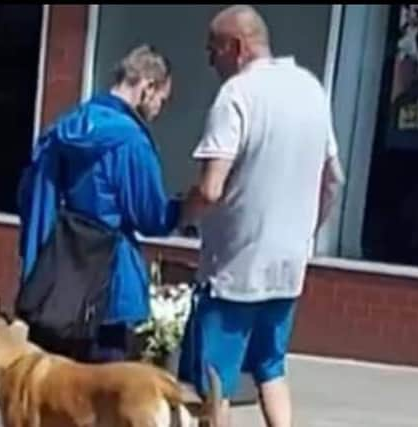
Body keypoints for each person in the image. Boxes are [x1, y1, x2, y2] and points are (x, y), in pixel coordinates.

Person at [177, 5, 345, 427]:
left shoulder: (237, 95)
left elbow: (212, 187)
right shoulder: (311, 89)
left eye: (212, 49)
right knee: (271, 367)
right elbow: (332, 181)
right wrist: (307, 231)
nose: (209, 60)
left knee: (215, 383)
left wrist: (183, 212)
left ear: (236, 47)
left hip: (236, 268)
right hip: (288, 265)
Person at [18, 45, 184, 363]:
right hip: (110, 286)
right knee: (106, 403)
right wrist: (184, 208)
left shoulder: (62, 129)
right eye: (162, 99)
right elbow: (151, 217)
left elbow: (30, 196)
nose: (160, 108)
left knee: (56, 401)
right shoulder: (130, 141)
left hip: (55, 283)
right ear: (147, 86)